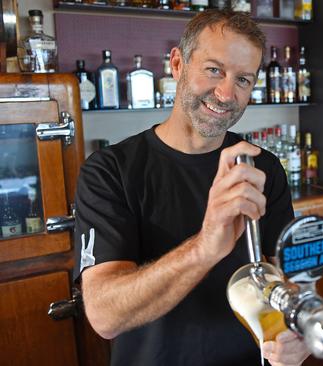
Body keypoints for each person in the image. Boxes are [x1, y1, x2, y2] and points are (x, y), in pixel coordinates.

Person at [73, 10, 310, 366]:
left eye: (243, 79)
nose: (226, 93)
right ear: (178, 63)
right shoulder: (109, 172)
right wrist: (204, 246)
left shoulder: (262, 167)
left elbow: (290, 279)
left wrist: (299, 328)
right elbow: (105, 317)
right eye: (214, 70)